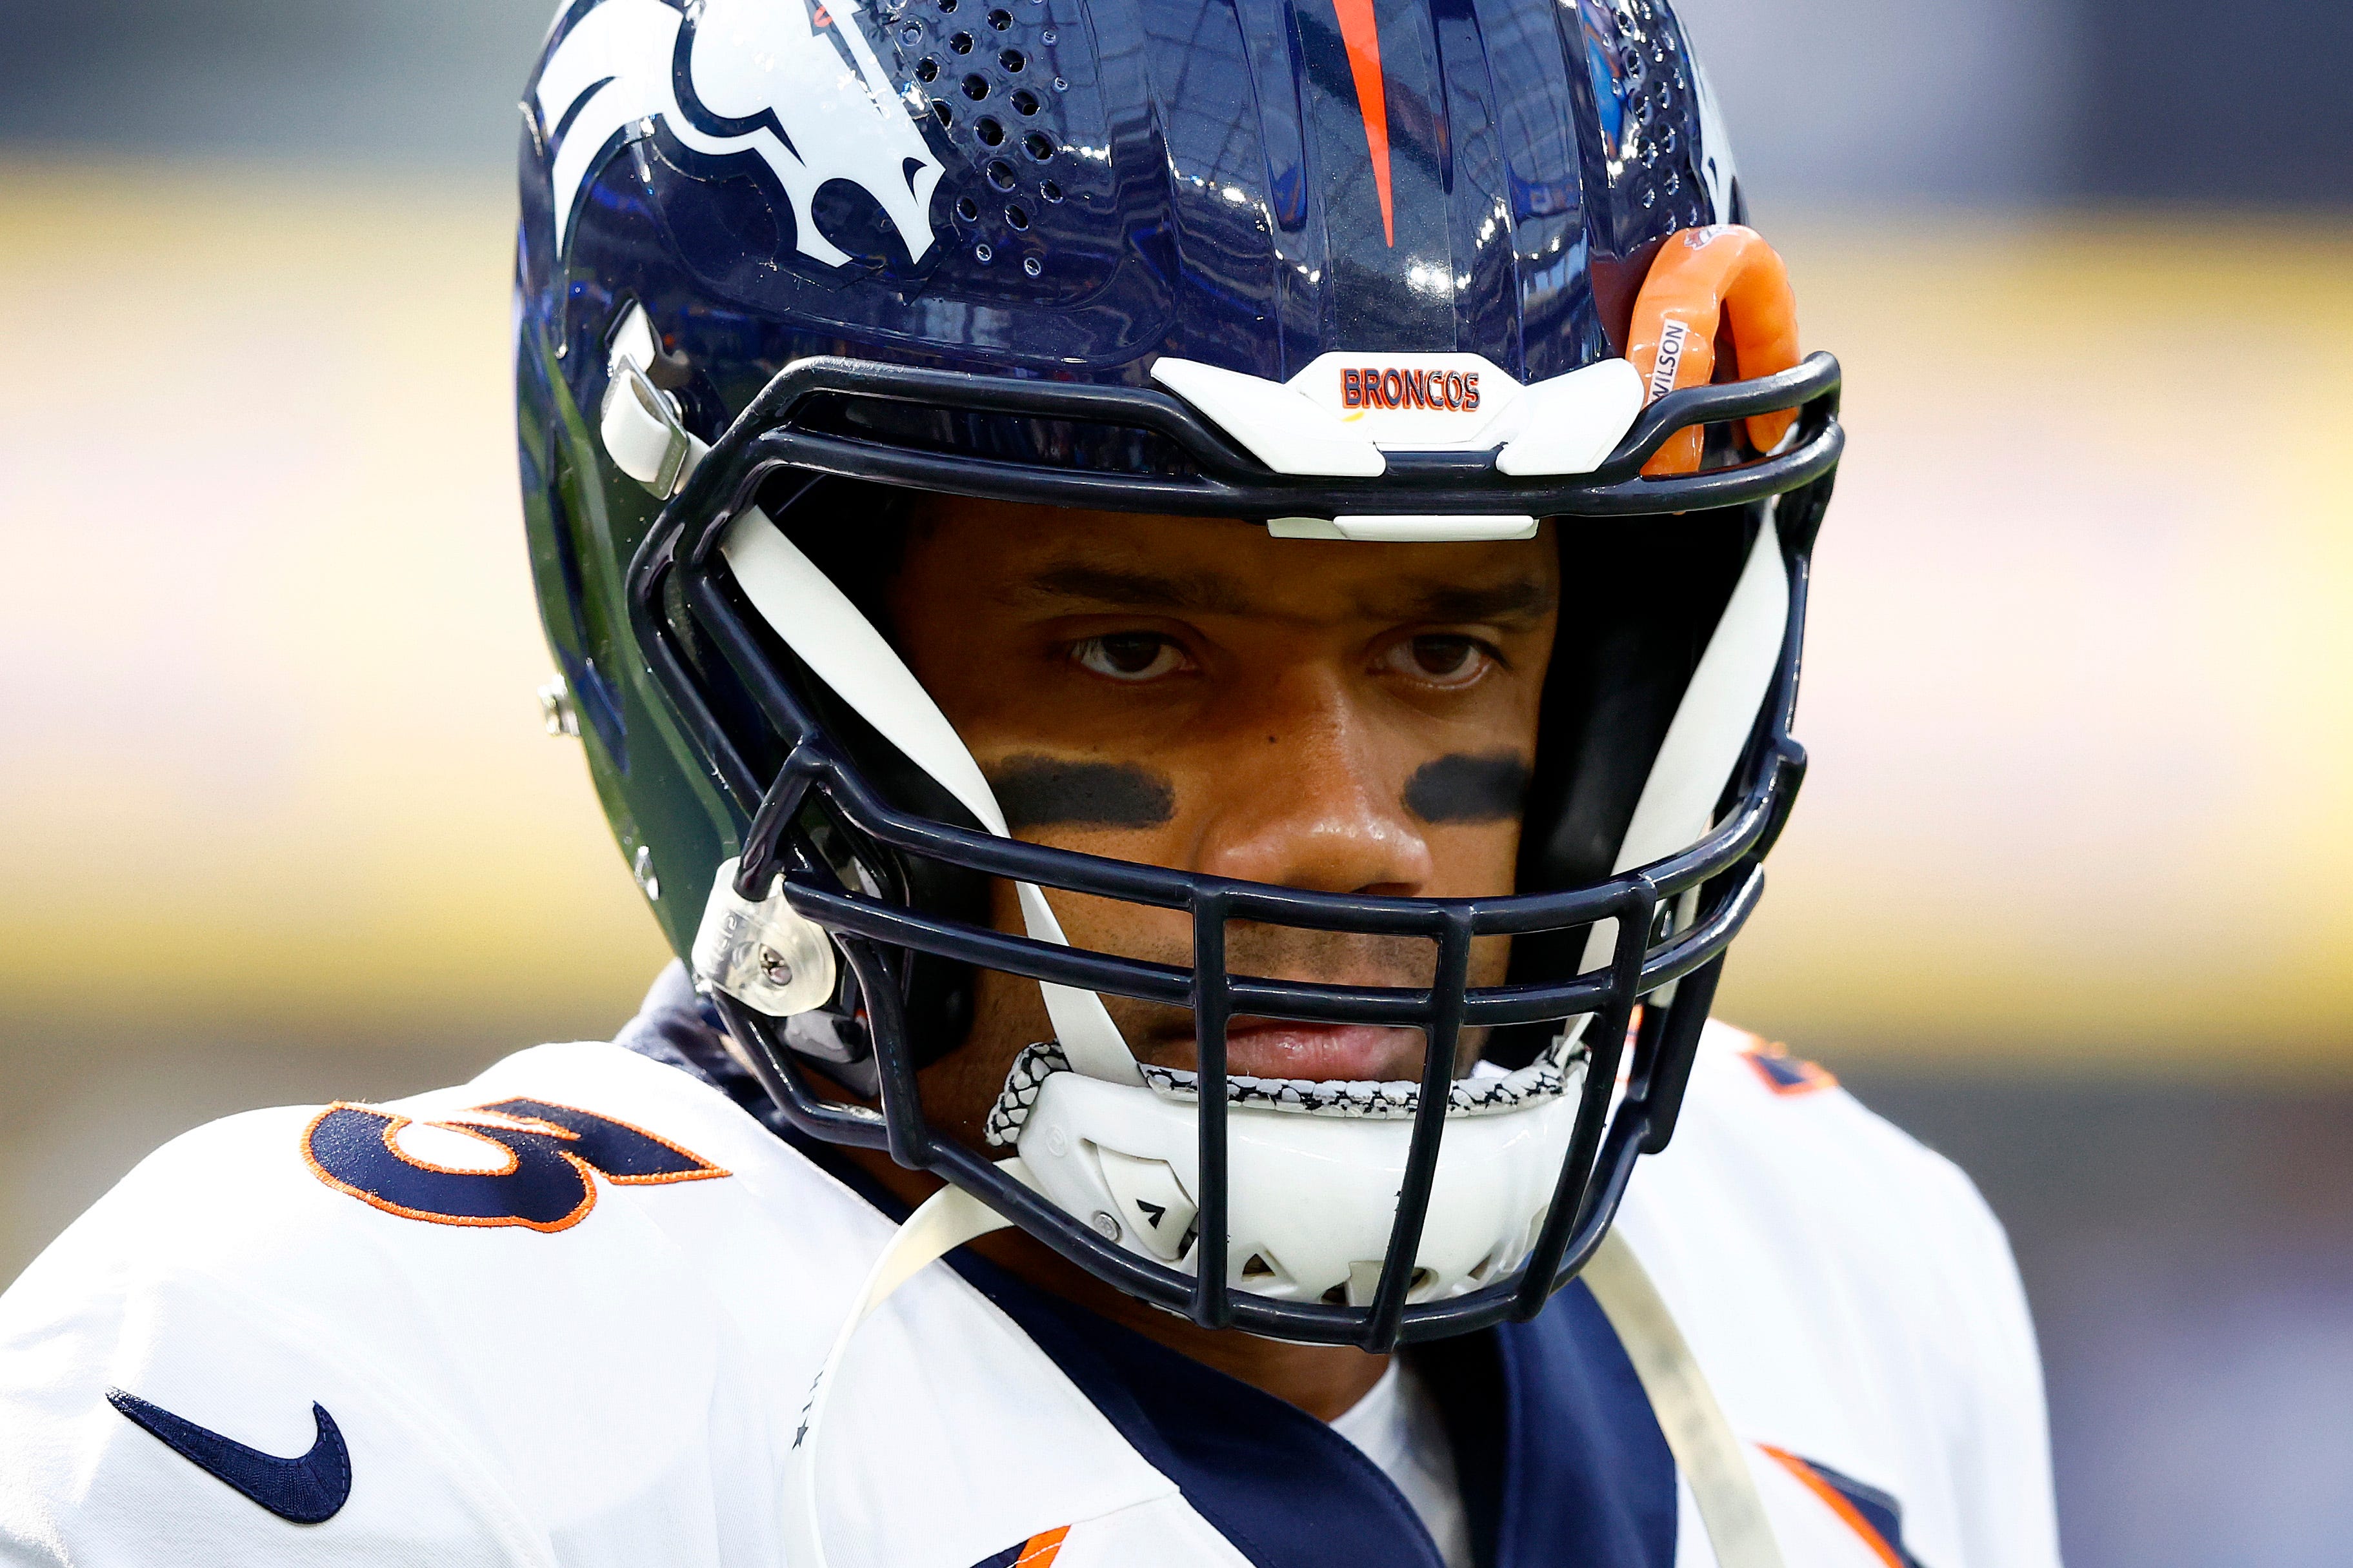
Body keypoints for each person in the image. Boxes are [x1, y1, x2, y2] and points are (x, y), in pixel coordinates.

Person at [0, 0, 2062, 1563]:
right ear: (739, 668)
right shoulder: (390, 1386)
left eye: (1444, 643)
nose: (1343, 821)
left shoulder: (1847, 1269)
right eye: (1136, 650)